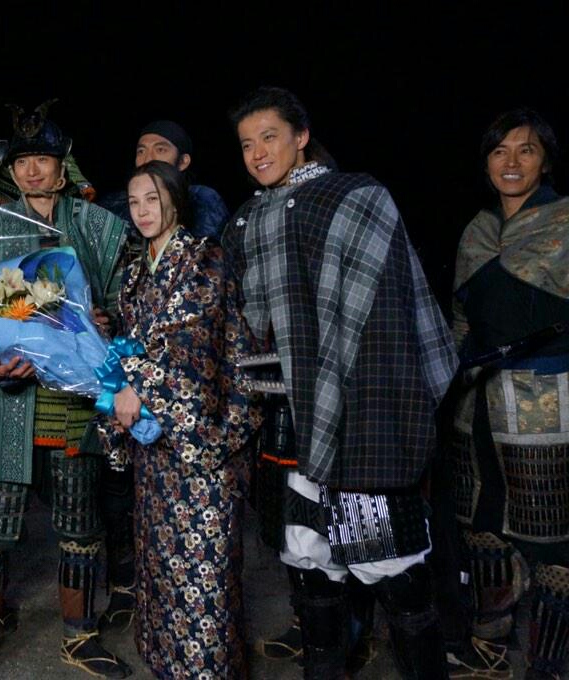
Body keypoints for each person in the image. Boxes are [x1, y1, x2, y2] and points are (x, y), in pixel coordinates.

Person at [226, 86, 458, 679]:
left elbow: (388, 314)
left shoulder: (355, 196)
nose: (258, 153)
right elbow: (237, 319)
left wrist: (356, 392)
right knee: (309, 567)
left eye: (269, 137)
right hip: (287, 423)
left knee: (394, 571)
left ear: (302, 136)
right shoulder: (247, 219)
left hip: (360, 415)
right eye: (247, 144)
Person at [0, 105, 131, 679]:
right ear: (10, 168)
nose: (32, 171)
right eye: (22, 161)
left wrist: (108, 323)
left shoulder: (100, 226)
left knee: (80, 522)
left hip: (74, 400)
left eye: (42, 160)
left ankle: (79, 636)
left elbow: (126, 302)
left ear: (62, 164)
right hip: (9, 397)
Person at [109, 160, 259, 678]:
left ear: (175, 198)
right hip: (155, 445)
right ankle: (169, 665)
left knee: (206, 572)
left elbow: (192, 341)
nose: (142, 211)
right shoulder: (135, 271)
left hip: (205, 437)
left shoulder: (203, 257)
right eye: (134, 202)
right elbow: (131, 342)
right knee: (161, 562)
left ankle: (209, 671)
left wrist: (137, 383)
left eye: (152, 199)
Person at [450, 108, 569, 680]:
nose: (512, 162)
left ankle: (548, 663)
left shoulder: (565, 222)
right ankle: (490, 645)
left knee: (551, 539)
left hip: (549, 401)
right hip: (478, 400)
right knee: (484, 524)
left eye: (526, 150)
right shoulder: (477, 229)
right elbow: (462, 317)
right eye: (500, 151)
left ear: (545, 160)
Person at [100, 120, 231, 242]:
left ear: (183, 161)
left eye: (160, 150)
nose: (148, 159)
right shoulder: (116, 203)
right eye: (141, 151)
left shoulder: (200, 198)